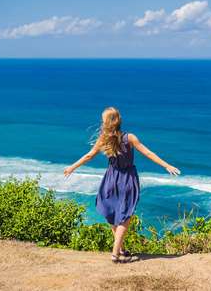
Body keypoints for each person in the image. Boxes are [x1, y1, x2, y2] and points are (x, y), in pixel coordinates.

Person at [63, 107, 180, 263]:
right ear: (119, 120)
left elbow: (89, 155)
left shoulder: (103, 138)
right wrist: (167, 166)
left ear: (105, 122)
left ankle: (121, 250)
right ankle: (115, 254)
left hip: (110, 178)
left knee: (112, 214)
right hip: (126, 179)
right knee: (125, 216)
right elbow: (148, 153)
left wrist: (73, 166)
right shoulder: (130, 137)